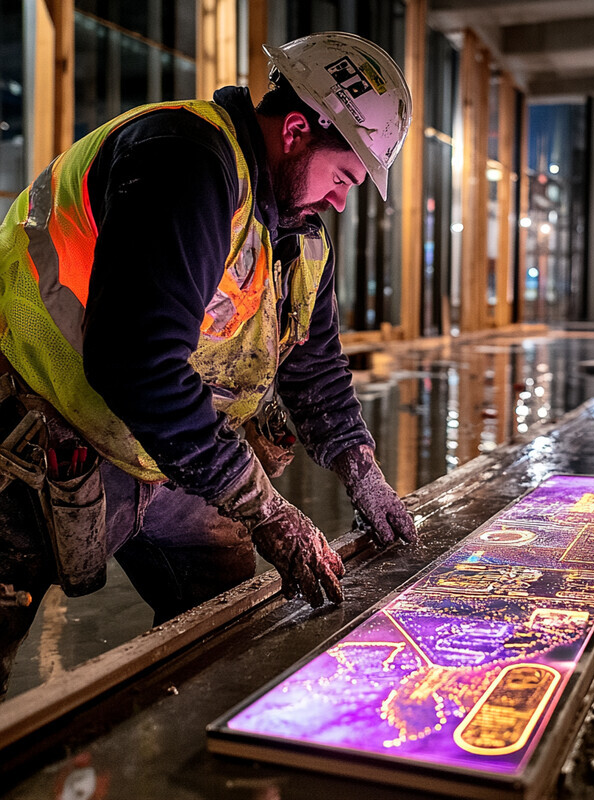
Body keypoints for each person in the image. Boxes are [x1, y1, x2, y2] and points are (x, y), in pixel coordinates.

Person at [0, 31, 417, 698]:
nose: (343, 200)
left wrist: (361, 470)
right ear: (296, 131)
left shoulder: (300, 236)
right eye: (343, 175)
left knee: (229, 637)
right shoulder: (185, 161)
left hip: (166, 453)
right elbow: (138, 363)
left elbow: (316, 372)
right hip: (39, 429)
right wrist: (267, 509)